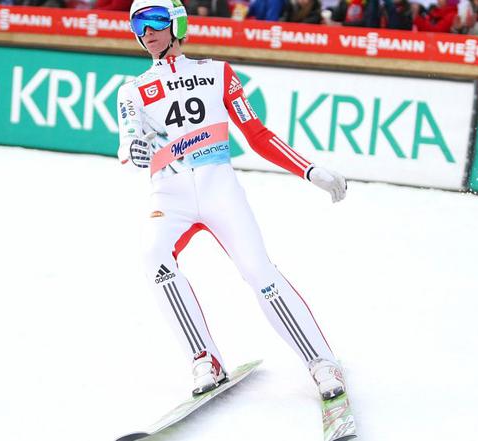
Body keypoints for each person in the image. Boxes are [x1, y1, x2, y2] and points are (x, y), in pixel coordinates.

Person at [116, 0, 350, 399]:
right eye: (138, 22)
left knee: (259, 271)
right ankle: (203, 358)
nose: (147, 30)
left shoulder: (216, 73)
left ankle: (321, 362)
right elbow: (128, 145)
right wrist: (134, 152)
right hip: (169, 198)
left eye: (156, 20)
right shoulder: (131, 91)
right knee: (154, 256)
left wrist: (309, 169)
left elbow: (257, 135)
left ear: (177, 24)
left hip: (219, 190)